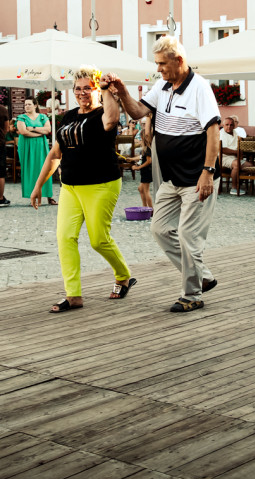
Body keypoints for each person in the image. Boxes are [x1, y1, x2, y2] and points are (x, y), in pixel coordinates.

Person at [107, 36, 221, 312]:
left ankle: (192, 294)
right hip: (170, 178)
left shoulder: (200, 89)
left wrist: (207, 172)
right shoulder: (163, 86)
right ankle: (202, 276)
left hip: (197, 177)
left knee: (187, 236)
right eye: (156, 64)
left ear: (179, 61)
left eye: (162, 64)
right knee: (159, 229)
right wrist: (121, 92)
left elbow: (213, 132)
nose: (158, 69)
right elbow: (137, 112)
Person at [31, 66, 135, 311]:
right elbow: (55, 153)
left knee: (98, 240)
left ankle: (123, 276)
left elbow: (110, 122)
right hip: (70, 186)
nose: (81, 93)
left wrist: (108, 90)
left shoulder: (104, 111)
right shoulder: (68, 117)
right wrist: (38, 186)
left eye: (87, 88)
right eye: (77, 89)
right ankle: (73, 295)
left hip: (101, 184)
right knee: (65, 237)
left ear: (96, 89)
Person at [18, 97, 56, 205]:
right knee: (31, 170)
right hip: (27, 146)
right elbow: (23, 131)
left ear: (35, 105)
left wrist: (33, 128)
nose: (27, 106)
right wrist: (39, 133)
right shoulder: (21, 118)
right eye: (25, 104)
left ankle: (49, 195)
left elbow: (48, 129)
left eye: (29, 104)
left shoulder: (43, 117)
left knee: (45, 169)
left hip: (41, 146)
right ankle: (33, 197)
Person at [220, 115, 250, 195]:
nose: (229, 127)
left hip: (234, 157)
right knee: (237, 164)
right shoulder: (221, 134)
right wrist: (236, 152)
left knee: (249, 166)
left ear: (234, 126)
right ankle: (234, 188)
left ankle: (238, 183)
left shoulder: (235, 133)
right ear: (223, 125)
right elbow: (223, 149)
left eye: (231, 125)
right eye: (227, 125)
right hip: (223, 158)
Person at [133, 117, 154, 208]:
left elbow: (149, 161)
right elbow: (142, 157)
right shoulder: (145, 148)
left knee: (146, 190)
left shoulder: (148, 148)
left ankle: (150, 209)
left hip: (147, 171)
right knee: (140, 188)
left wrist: (138, 167)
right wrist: (132, 159)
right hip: (145, 171)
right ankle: (144, 207)